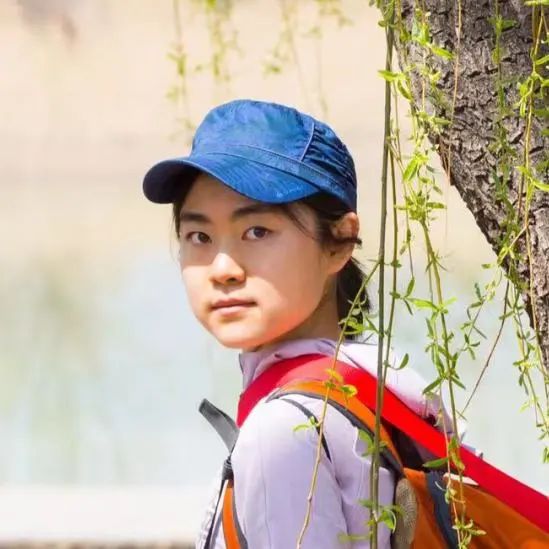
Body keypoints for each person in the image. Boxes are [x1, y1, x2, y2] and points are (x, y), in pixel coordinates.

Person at [142, 99, 450, 548]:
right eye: (199, 236)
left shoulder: (282, 434)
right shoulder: (389, 391)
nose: (223, 268)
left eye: (257, 232)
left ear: (339, 241)